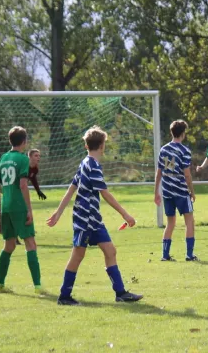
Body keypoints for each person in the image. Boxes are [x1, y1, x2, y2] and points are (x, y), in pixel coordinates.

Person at [47, 126, 142, 305]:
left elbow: (71, 188)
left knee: (110, 251)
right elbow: (105, 193)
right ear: (102, 145)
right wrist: (126, 215)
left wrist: (58, 212)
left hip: (93, 219)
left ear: (87, 145)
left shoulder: (85, 163)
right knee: (78, 255)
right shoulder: (92, 166)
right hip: (85, 219)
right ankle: (64, 296)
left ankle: (120, 293)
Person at [0, 126, 43, 294]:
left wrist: (6, 194)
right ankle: (37, 286)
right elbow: (23, 185)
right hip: (19, 207)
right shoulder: (23, 159)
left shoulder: (4, 158)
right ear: (24, 141)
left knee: (9, 245)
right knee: (30, 243)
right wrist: (29, 209)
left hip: (6, 207)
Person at [154, 120, 199, 262]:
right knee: (189, 222)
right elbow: (187, 174)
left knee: (170, 222)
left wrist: (156, 191)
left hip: (167, 191)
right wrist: (191, 191)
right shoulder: (184, 151)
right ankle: (189, 254)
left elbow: (159, 172)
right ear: (183, 133)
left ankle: (165, 255)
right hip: (180, 190)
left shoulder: (164, 149)